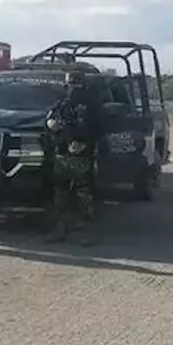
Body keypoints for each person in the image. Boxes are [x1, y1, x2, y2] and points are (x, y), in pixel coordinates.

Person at [44, 70, 102, 242]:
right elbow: (49, 122)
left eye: (77, 84)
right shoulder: (62, 104)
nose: (73, 88)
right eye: (71, 84)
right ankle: (60, 230)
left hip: (82, 156)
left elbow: (99, 129)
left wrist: (85, 143)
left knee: (84, 193)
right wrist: (51, 124)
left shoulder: (92, 106)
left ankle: (86, 233)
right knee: (60, 193)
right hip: (61, 154)